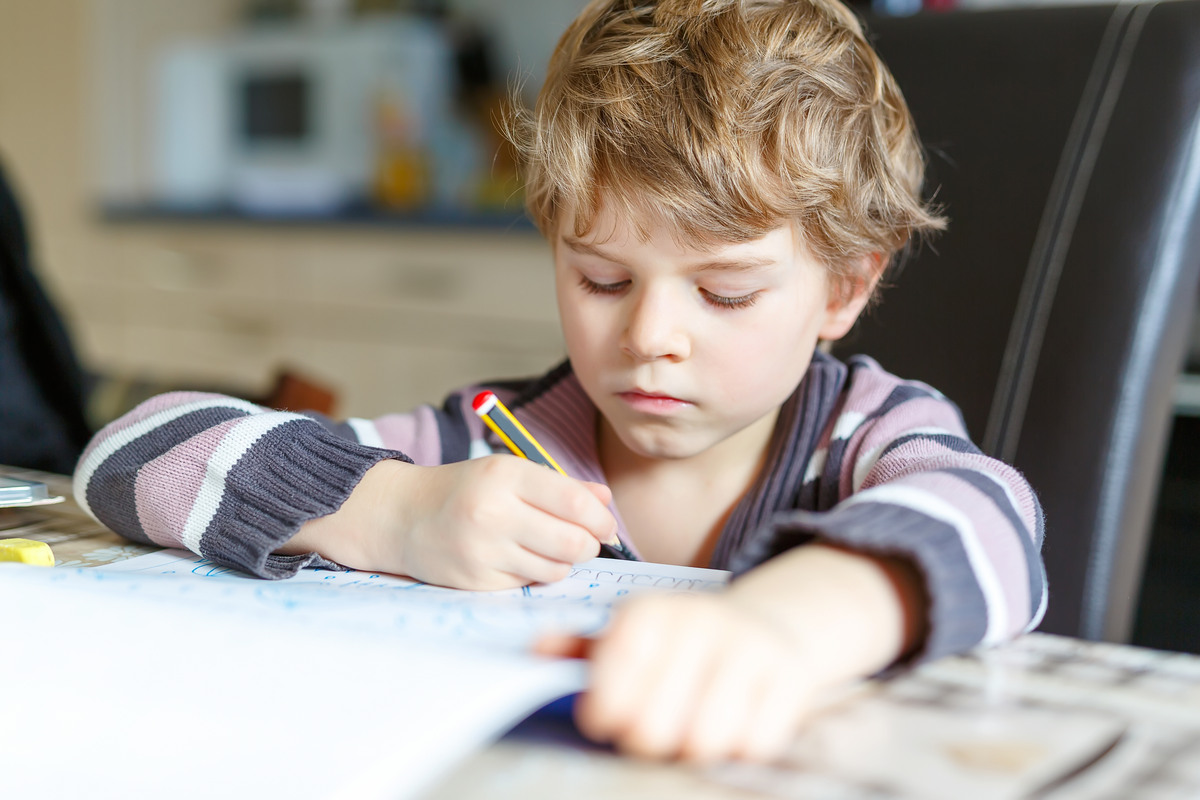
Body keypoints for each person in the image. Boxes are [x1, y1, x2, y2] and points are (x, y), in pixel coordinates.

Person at [73, 0, 1046, 764]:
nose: (651, 335)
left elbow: (993, 518)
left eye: (725, 292)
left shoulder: (869, 431)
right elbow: (129, 453)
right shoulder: (496, 439)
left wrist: (789, 624)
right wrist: (396, 508)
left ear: (844, 286)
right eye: (603, 278)